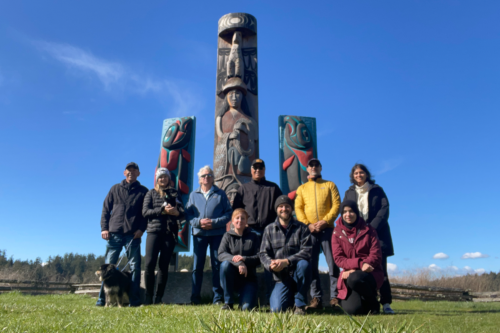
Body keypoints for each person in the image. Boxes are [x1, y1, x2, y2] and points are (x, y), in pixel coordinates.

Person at [343, 163, 395, 314]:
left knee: (381, 270)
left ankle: (386, 302)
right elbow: (346, 212)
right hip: (357, 236)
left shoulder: (377, 190)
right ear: (353, 176)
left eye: (361, 172)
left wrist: (371, 228)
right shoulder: (349, 192)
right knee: (360, 267)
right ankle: (368, 300)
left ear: (366, 174)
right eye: (356, 173)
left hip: (377, 233)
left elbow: (384, 209)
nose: (359, 175)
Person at [97, 162, 148, 307]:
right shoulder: (115, 189)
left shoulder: (143, 191)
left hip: (133, 235)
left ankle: (134, 301)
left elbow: (145, 214)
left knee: (135, 267)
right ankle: (102, 300)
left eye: (134, 170)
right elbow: (105, 209)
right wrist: (104, 228)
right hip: (114, 234)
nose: (131, 172)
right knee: (107, 268)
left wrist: (141, 229)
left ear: (138, 173)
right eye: (129, 170)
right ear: (124, 173)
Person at [232, 158, 283, 303]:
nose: (257, 170)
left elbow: (282, 209)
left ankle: (271, 299)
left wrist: (276, 225)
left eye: (261, 168)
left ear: (264, 170)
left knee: (270, 265)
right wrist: (243, 224)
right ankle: (247, 299)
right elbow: (236, 210)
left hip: (269, 231)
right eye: (255, 167)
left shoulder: (273, 188)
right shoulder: (243, 189)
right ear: (251, 170)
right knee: (248, 263)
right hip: (250, 231)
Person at [294, 158, 341, 310]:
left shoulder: (329, 185)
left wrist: (326, 221)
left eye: (316, 165)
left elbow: (336, 205)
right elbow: (298, 208)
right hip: (310, 231)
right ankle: (316, 299)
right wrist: (308, 224)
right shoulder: (302, 189)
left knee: (333, 263)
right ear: (307, 169)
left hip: (327, 229)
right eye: (311, 165)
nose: (313, 167)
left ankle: (335, 297)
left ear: (320, 168)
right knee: (312, 265)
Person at [185, 165, 232, 305]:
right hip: (199, 234)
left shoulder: (220, 193)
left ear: (213, 178)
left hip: (217, 234)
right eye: (204, 176)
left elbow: (228, 213)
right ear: (199, 179)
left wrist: (214, 222)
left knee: (217, 265)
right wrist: (198, 222)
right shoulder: (193, 195)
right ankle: (195, 298)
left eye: (209, 175)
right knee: (197, 266)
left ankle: (217, 298)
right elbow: (188, 214)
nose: (206, 178)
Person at [260, 195, 312, 315]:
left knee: (304, 264)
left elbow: (307, 251)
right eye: (281, 206)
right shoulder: (269, 229)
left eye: (287, 206)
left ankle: (300, 304)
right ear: (276, 209)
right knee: (277, 310)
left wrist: (286, 261)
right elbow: (263, 253)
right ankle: (289, 300)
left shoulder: (302, 228)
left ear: (291, 208)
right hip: (280, 277)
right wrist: (270, 264)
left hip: (298, 273)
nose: (284, 209)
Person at [331, 200, 384, 315]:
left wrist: (357, 269)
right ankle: (363, 302)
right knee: (352, 310)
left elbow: (376, 255)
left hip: (370, 273)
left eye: (351, 211)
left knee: (355, 277)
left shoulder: (369, 230)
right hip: (350, 274)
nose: (348, 214)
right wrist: (359, 265)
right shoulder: (336, 233)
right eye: (344, 212)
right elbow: (339, 259)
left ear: (356, 212)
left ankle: (373, 302)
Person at [142, 168, 184, 305]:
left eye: (165, 177)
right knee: (149, 265)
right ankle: (148, 297)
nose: (163, 179)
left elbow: (182, 212)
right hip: (153, 232)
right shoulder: (151, 193)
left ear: (169, 178)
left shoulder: (175, 193)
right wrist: (162, 210)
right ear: (157, 179)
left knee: (163, 266)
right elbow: (145, 212)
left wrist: (176, 212)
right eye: (160, 177)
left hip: (169, 233)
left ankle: (158, 298)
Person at [218, 208, 261, 310]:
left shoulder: (254, 236)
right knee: (224, 265)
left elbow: (259, 257)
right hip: (232, 279)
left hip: (249, 279)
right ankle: (229, 302)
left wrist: (244, 259)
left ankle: (246, 300)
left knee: (246, 309)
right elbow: (221, 254)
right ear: (232, 221)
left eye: (243, 218)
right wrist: (238, 262)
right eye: (237, 218)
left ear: (246, 221)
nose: (240, 220)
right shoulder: (227, 236)